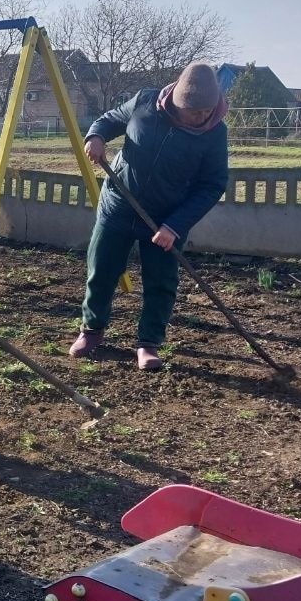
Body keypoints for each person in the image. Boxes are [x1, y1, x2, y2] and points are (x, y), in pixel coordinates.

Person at [69, 61, 229, 371]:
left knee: (161, 282)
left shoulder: (215, 133)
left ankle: (148, 343)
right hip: (118, 205)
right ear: (175, 100)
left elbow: (212, 185)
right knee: (101, 271)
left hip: (167, 218)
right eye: (192, 112)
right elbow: (112, 119)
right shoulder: (145, 101)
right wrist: (97, 136)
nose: (199, 118)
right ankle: (91, 331)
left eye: (204, 113)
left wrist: (175, 225)